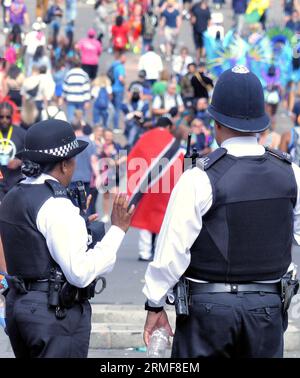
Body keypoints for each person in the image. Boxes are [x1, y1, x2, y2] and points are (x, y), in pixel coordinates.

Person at [143, 65, 300, 358]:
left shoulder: (200, 177)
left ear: (215, 122)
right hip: (266, 310)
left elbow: (171, 251)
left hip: (209, 313)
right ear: (262, 124)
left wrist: (154, 303)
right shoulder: (291, 173)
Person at [0, 119, 134, 358]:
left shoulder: (14, 194)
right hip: (54, 314)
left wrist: (79, 224)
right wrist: (117, 230)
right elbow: (80, 273)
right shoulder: (56, 205)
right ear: (64, 164)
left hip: (19, 305)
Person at [127, 116, 185, 261]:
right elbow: (183, 160)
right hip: (167, 185)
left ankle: (144, 252)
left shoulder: (145, 137)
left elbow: (132, 157)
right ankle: (159, 253)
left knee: (146, 219)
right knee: (162, 218)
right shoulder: (173, 141)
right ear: (169, 127)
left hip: (147, 185)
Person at [0, 101, 25, 202]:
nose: (4, 120)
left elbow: (31, 156)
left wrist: (19, 162)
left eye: (7, 117)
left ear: (12, 116)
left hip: (15, 183)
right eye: (1, 117)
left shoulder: (22, 133)